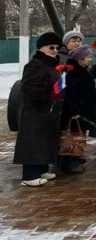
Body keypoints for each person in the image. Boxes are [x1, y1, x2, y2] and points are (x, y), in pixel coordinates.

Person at [13, 32, 63, 186]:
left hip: (47, 109)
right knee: (33, 142)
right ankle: (29, 176)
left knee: (45, 140)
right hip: (34, 110)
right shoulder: (34, 65)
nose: (55, 50)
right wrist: (49, 94)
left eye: (57, 47)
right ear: (41, 48)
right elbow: (28, 88)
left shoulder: (52, 65)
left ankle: (41, 169)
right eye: (51, 47)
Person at [60, 44, 96, 174]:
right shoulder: (74, 73)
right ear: (80, 59)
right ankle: (70, 163)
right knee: (73, 137)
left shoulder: (81, 70)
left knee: (79, 136)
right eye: (88, 57)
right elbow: (70, 93)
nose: (90, 59)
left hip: (81, 110)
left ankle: (74, 160)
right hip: (75, 112)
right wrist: (74, 110)